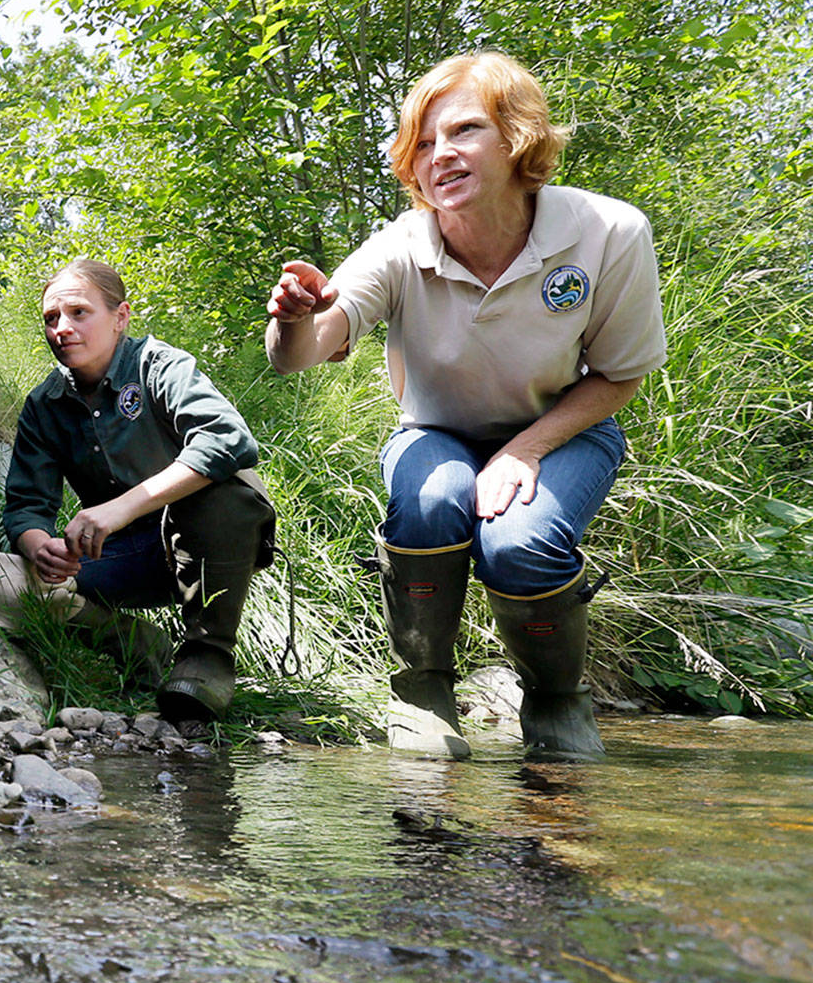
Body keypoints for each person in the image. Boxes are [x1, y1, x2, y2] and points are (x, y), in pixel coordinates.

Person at [265, 51, 666, 762]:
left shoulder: (610, 233)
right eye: (421, 142)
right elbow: (299, 353)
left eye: (463, 131)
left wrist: (525, 449)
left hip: (567, 429)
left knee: (520, 540)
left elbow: (619, 375)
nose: (438, 154)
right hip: (435, 431)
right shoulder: (399, 249)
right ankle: (421, 690)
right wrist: (295, 316)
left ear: (517, 138)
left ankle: (555, 699)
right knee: (433, 497)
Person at [0, 258, 276, 725]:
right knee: (4, 585)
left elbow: (229, 440)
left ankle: (207, 657)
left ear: (120, 318)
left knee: (227, 493)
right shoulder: (44, 405)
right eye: (51, 318)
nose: (62, 328)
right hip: (118, 558)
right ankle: (138, 646)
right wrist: (43, 549)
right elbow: (25, 507)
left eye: (79, 313)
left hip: (208, 546)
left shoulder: (158, 365)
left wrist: (121, 507)